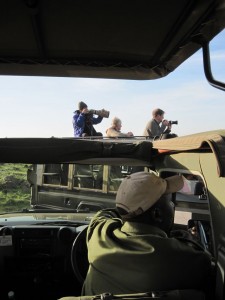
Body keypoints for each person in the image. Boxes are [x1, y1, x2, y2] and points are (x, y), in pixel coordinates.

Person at [82, 172, 213, 296]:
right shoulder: (179, 257)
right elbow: (207, 265)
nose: (173, 205)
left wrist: (130, 208)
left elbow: (104, 214)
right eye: (170, 202)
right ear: (157, 214)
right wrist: (191, 240)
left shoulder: (100, 234)